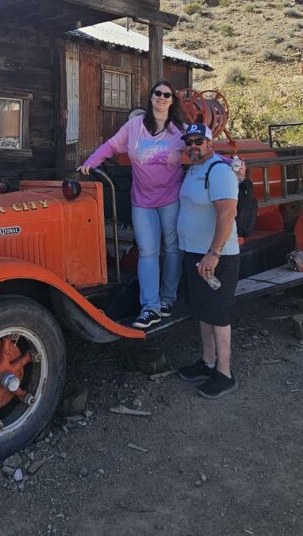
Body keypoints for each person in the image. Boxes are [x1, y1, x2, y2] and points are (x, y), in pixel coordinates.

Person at [79, 80, 185, 329]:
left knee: (171, 248)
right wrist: (90, 162)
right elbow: (111, 146)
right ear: (150, 98)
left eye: (166, 95)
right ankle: (151, 307)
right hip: (143, 200)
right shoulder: (135, 125)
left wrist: (228, 165)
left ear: (172, 101)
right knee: (147, 251)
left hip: (171, 198)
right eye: (157, 93)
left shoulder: (180, 130)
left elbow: (204, 147)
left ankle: (168, 300)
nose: (161, 97)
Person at [175, 122, 240, 398]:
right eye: (189, 141)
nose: (193, 145)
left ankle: (224, 373)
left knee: (219, 314)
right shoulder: (193, 169)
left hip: (217, 257)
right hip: (194, 254)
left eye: (198, 141)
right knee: (203, 311)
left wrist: (213, 253)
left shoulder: (219, 170)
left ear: (210, 144)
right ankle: (207, 362)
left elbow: (227, 214)